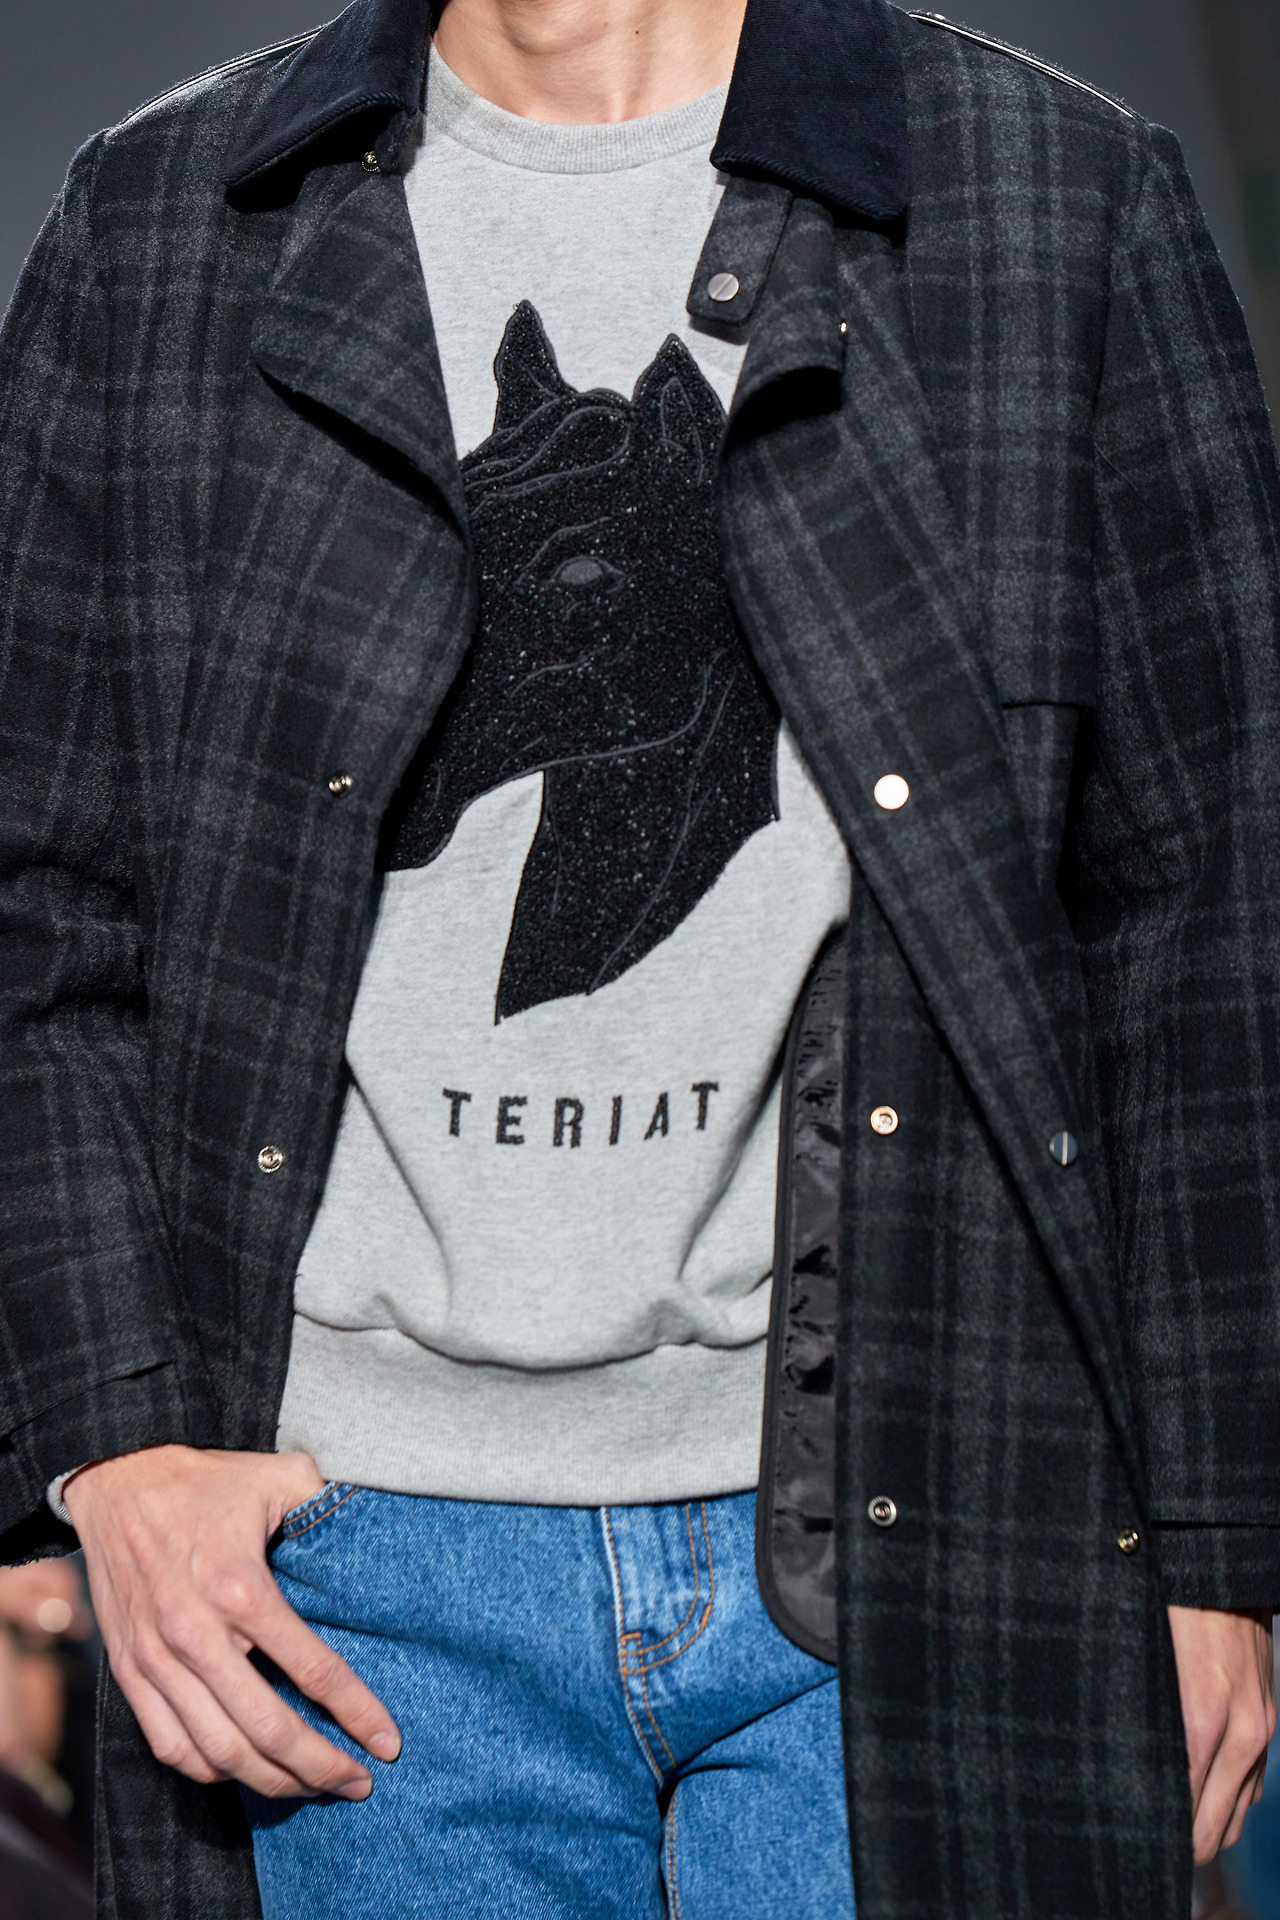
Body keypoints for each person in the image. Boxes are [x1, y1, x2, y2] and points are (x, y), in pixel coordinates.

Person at [1, 0, 1277, 1914]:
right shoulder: (167, 220)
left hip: (927, 1528)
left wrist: (1217, 1543)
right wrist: (108, 1450)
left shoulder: (1055, 203)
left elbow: (1207, 925)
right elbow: (36, 903)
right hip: (349, 1580)